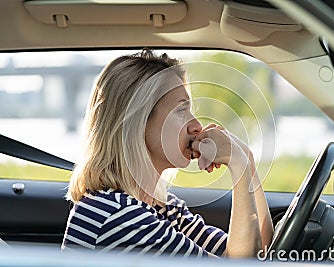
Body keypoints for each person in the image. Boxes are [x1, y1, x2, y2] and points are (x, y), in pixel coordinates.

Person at [62, 49, 273, 258]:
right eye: (181, 110)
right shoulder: (119, 216)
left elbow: (260, 249)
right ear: (139, 122)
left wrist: (247, 160)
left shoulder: (162, 207)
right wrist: (238, 165)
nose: (197, 126)